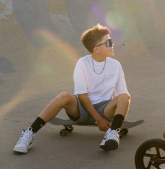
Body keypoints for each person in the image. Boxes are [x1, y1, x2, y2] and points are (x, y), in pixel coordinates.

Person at [13, 24, 131, 154]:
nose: (112, 44)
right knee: (63, 96)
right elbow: (81, 95)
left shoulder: (115, 65)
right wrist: (98, 119)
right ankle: (29, 133)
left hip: (105, 108)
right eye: (108, 42)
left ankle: (112, 134)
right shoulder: (83, 63)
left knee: (125, 96)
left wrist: (114, 117)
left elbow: (121, 94)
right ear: (96, 49)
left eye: (112, 41)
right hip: (82, 109)